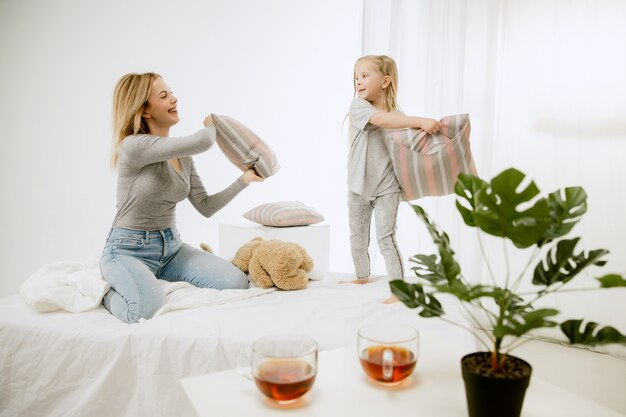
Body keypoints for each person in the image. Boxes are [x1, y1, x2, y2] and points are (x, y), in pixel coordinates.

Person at [100, 72, 263, 323]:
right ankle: (108, 295)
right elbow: (203, 142)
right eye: (164, 96)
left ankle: (152, 278)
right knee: (145, 312)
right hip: (128, 250)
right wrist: (213, 126)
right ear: (144, 110)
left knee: (236, 283)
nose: (174, 99)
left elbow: (206, 207)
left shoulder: (183, 156)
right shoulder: (133, 147)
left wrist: (244, 180)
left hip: (171, 248)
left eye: (171, 93)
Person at [346, 55, 441, 287]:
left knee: (386, 238)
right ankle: (361, 277)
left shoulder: (399, 116)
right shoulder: (360, 106)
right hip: (358, 184)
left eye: (365, 76)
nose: (358, 81)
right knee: (358, 238)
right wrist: (420, 121)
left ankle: (398, 288)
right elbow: (381, 120)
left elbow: (408, 145)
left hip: (387, 186)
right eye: (356, 77)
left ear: (385, 81)